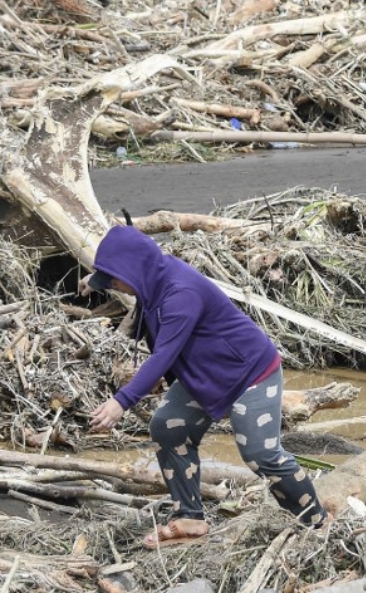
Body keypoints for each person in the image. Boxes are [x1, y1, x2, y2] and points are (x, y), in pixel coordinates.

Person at [83, 226, 326, 548]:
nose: (114, 286)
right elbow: (129, 283)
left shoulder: (180, 293)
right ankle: (190, 519)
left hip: (250, 373)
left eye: (114, 280)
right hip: (206, 372)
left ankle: (317, 524)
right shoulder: (153, 276)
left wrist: (121, 402)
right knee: (169, 426)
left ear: (134, 270)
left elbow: (162, 357)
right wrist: (96, 279)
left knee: (261, 454)